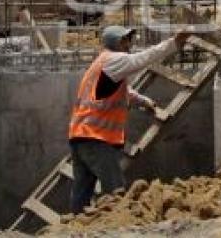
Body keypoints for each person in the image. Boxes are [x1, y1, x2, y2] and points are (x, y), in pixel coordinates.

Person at [68, 25, 192, 213]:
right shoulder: (115, 60)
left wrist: (143, 101)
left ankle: (73, 229)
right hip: (96, 138)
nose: (129, 44)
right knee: (115, 190)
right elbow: (143, 59)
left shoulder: (103, 62)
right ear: (118, 43)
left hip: (80, 136)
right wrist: (173, 43)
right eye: (126, 40)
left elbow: (120, 91)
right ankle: (116, 228)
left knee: (82, 192)